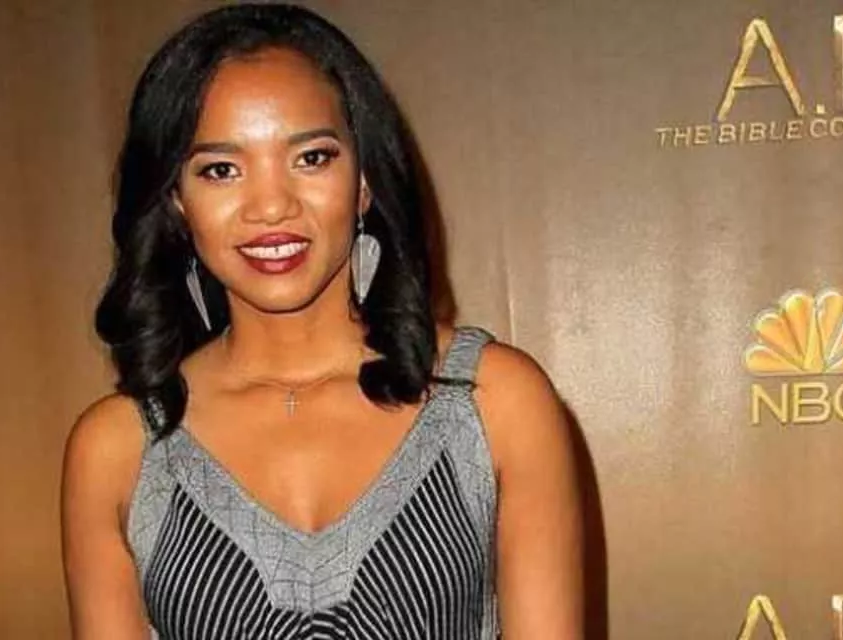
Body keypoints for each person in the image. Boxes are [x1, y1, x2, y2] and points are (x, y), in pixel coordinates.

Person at [61, 4, 583, 638]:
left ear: (364, 182)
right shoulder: (116, 450)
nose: (271, 206)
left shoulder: (494, 402)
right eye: (221, 169)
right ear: (176, 201)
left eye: (311, 158)